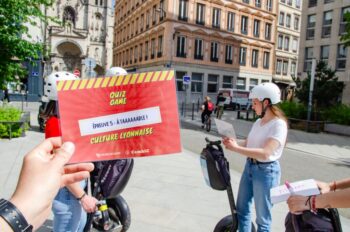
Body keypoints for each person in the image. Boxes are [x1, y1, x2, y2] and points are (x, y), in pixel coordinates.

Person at [222, 82, 288, 232]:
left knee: (262, 220)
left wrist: (236, 148)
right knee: (241, 210)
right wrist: (233, 142)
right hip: (250, 167)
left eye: (255, 103)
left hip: (266, 172)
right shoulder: (258, 121)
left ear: (266, 102)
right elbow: (249, 142)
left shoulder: (279, 125)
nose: (252, 106)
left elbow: (266, 152)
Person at [0, 138, 94, 232]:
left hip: (72, 193)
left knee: (78, 224)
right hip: (68, 195)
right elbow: (62, 166)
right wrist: (83, 196)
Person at [43, 71, 98, 232]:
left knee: (78, 226)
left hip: (72, 191)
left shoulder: (65, 120)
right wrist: (83, 197)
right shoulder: (56, 124)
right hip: (68, 193)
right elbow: (61, 168)